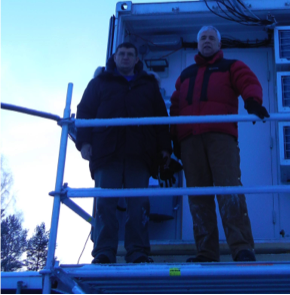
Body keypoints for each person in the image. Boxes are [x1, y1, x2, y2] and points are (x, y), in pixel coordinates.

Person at [170, 26, 269, 263]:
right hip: (190, 142)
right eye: (202, 38)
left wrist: (253, 102)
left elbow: (248, 82)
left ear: (218, 44)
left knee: (229, 191)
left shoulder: (231, 66)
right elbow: (175, 107)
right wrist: (174, 138)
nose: (206, 41)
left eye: (211, 38)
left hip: (221, 138)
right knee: (198, 197)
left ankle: (242, 248)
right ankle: (206, 253)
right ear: (197, 43)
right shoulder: (185, 75)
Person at [76, 42, 171, 264]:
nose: (126, 57)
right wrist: (84, 142)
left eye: (130, 54)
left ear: (137, 59)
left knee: (138, 205)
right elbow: (85, 112)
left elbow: (161, 118)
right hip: (106, 152)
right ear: (115, 58)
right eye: (122, 54)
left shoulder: (148, 86)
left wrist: (165, 148)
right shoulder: (99, 83)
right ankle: (103, 252)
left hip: (140, 154)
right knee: (104, 204)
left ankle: (137, 252)